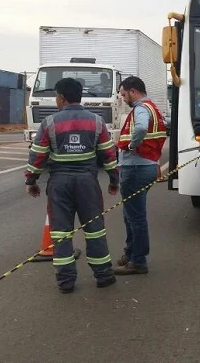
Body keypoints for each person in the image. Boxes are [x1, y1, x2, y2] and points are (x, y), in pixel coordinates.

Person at [25, 78, 119, 294]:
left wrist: (31, 181)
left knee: (61, 234)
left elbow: (37, 156)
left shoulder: (49, 123)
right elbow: (109, 155)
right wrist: (114, 180)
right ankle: (103, 275)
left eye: (56, 96)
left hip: (59, 184)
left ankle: (66, 282)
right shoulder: (97, 121)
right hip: (87, 183)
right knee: (95, 230)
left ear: (61, 97)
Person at [115, 76, 167, 275]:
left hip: (135, 168)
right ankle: (130, 254)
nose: (123, 98)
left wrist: (131, 145)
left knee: (135, 217)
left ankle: (138, 261)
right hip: (146, 166)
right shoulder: (153, 107)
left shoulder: (141, 109)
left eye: (123, 94)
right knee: (131, 215)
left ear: (133, 91)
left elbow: (142, 128)